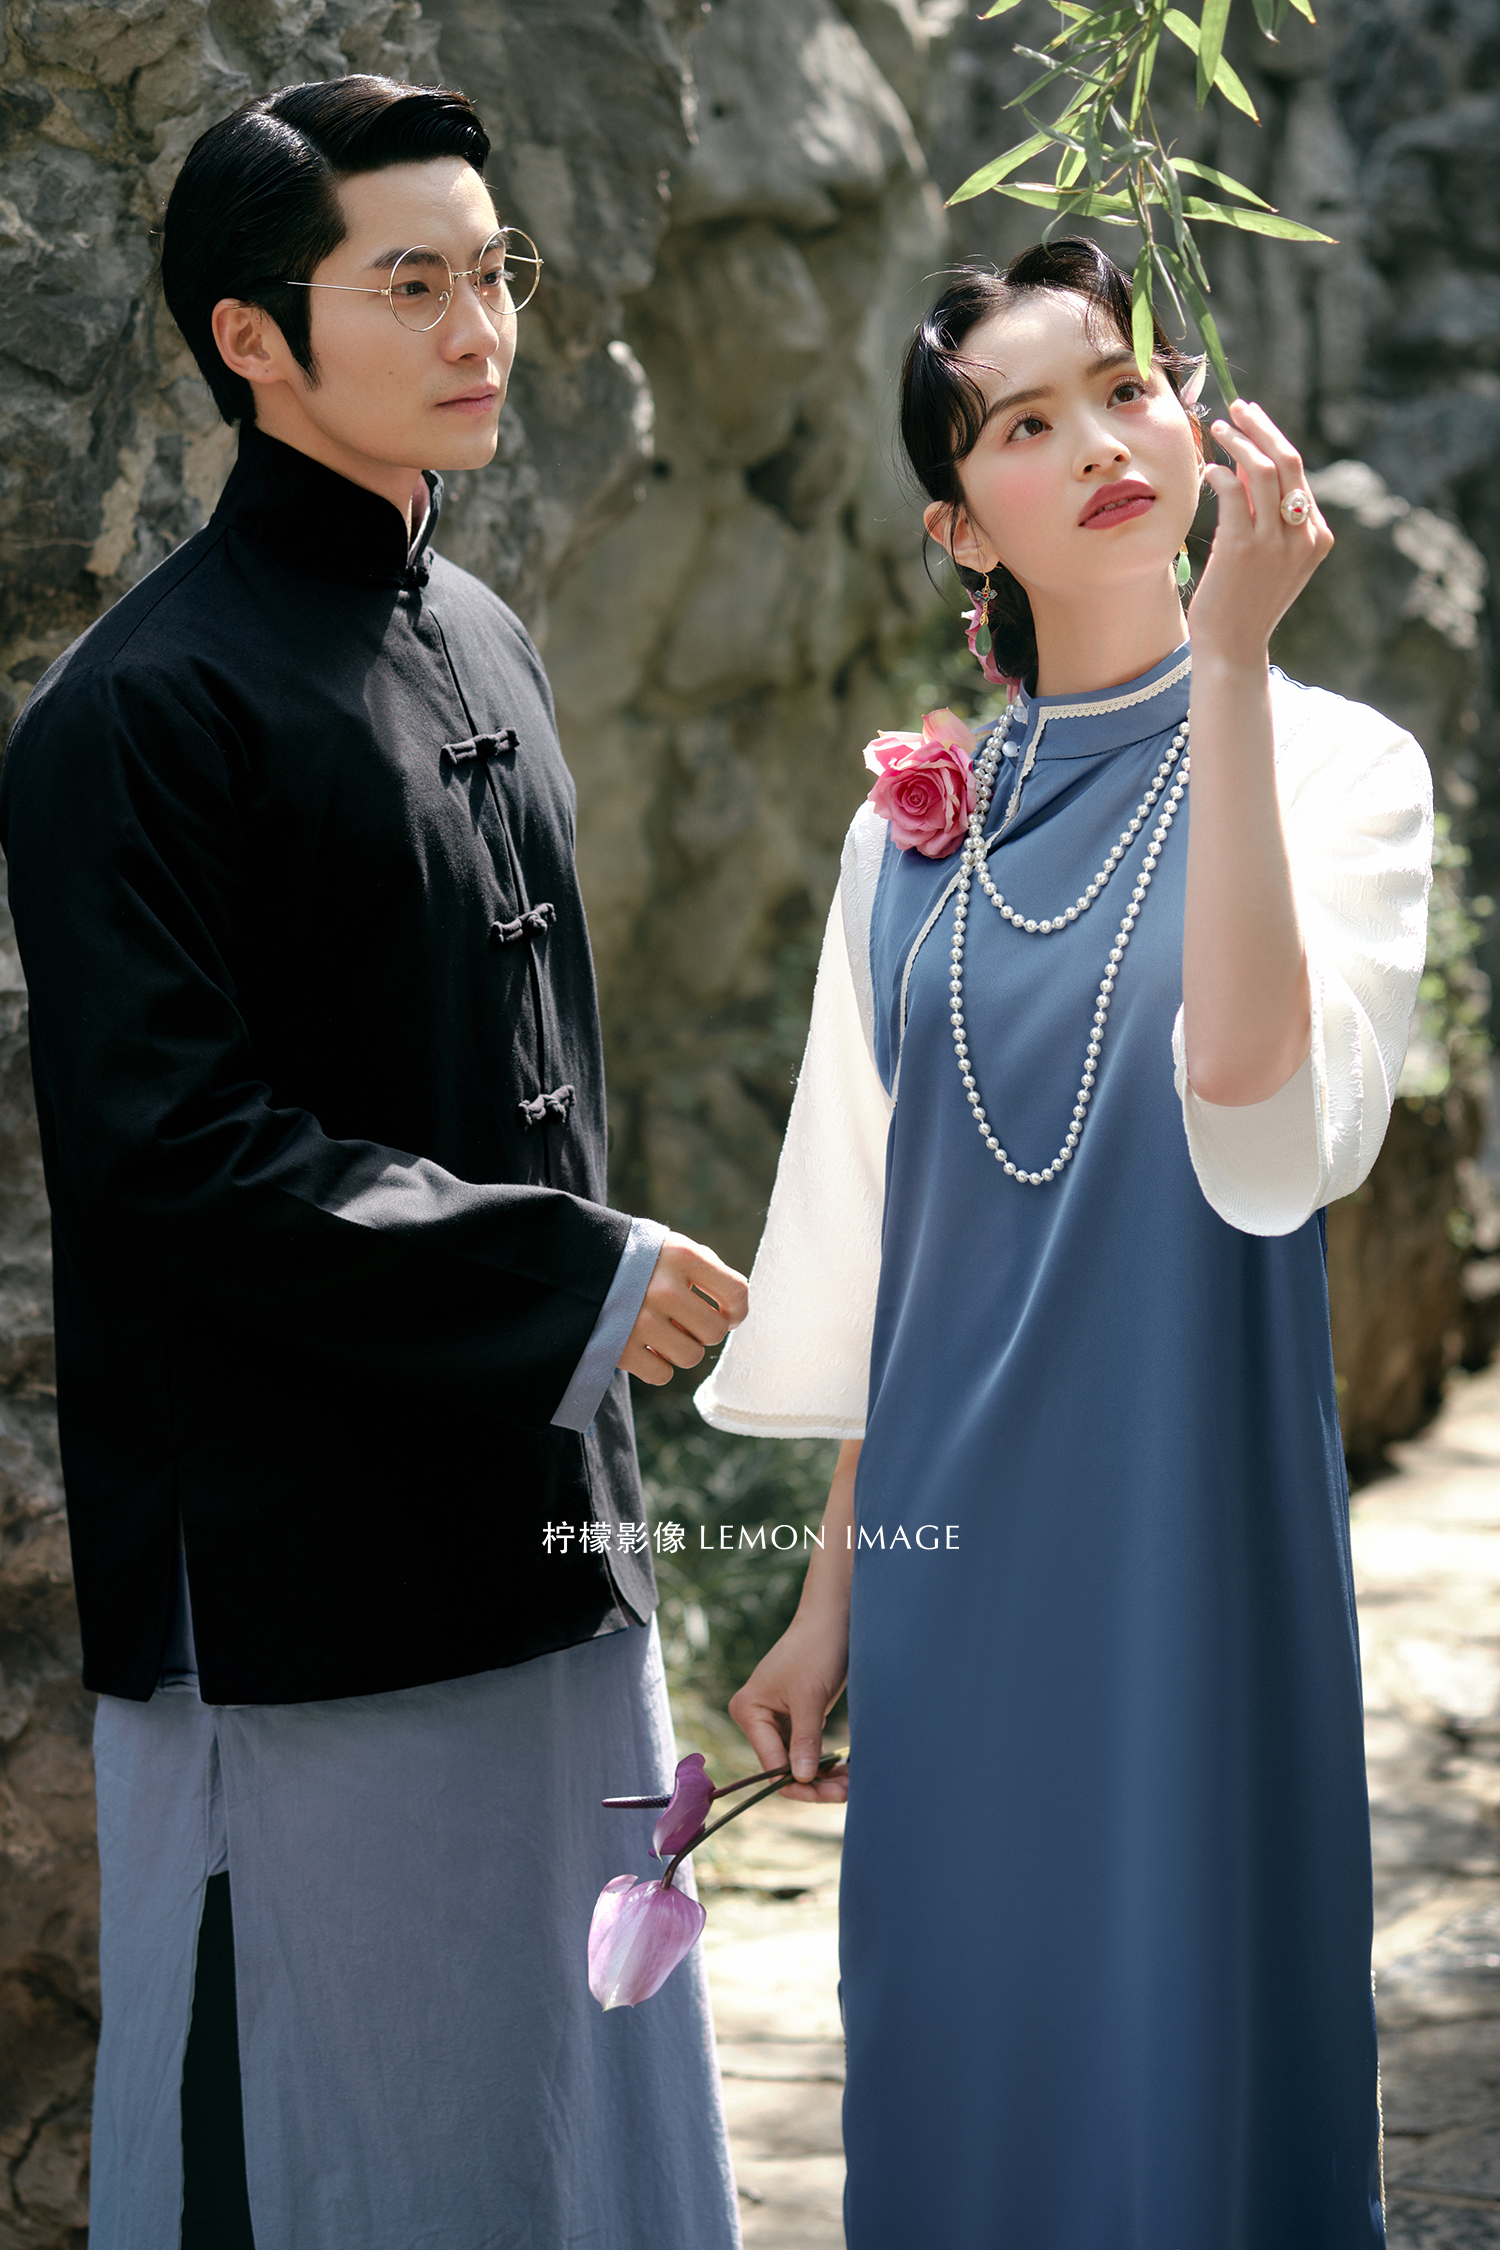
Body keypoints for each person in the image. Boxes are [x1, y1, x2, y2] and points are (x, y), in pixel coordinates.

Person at [0, 75, 746, 2250]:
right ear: (253, 337)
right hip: (303, 1585)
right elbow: (173, 1149)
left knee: (565, 2122)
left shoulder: (482, 629)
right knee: (337, 2138)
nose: (481, 326)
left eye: (495, 270)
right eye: (409, 283)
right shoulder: (135, 714)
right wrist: (574, 1280)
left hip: (542, 1533)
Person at [697, 237, 1433, 2247]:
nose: (1102, 441)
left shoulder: (1340, 766)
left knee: (1189, 2068)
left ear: (1194, 419)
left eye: (1125, 386)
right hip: (952, 1568)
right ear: (962, 524)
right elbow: (890, 1251)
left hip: (1192, 1539)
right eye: (1025, 424)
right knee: (967, 2068)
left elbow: (1259, 1104)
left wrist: (1231, 670)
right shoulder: (905, 828)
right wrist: (833, 1600)